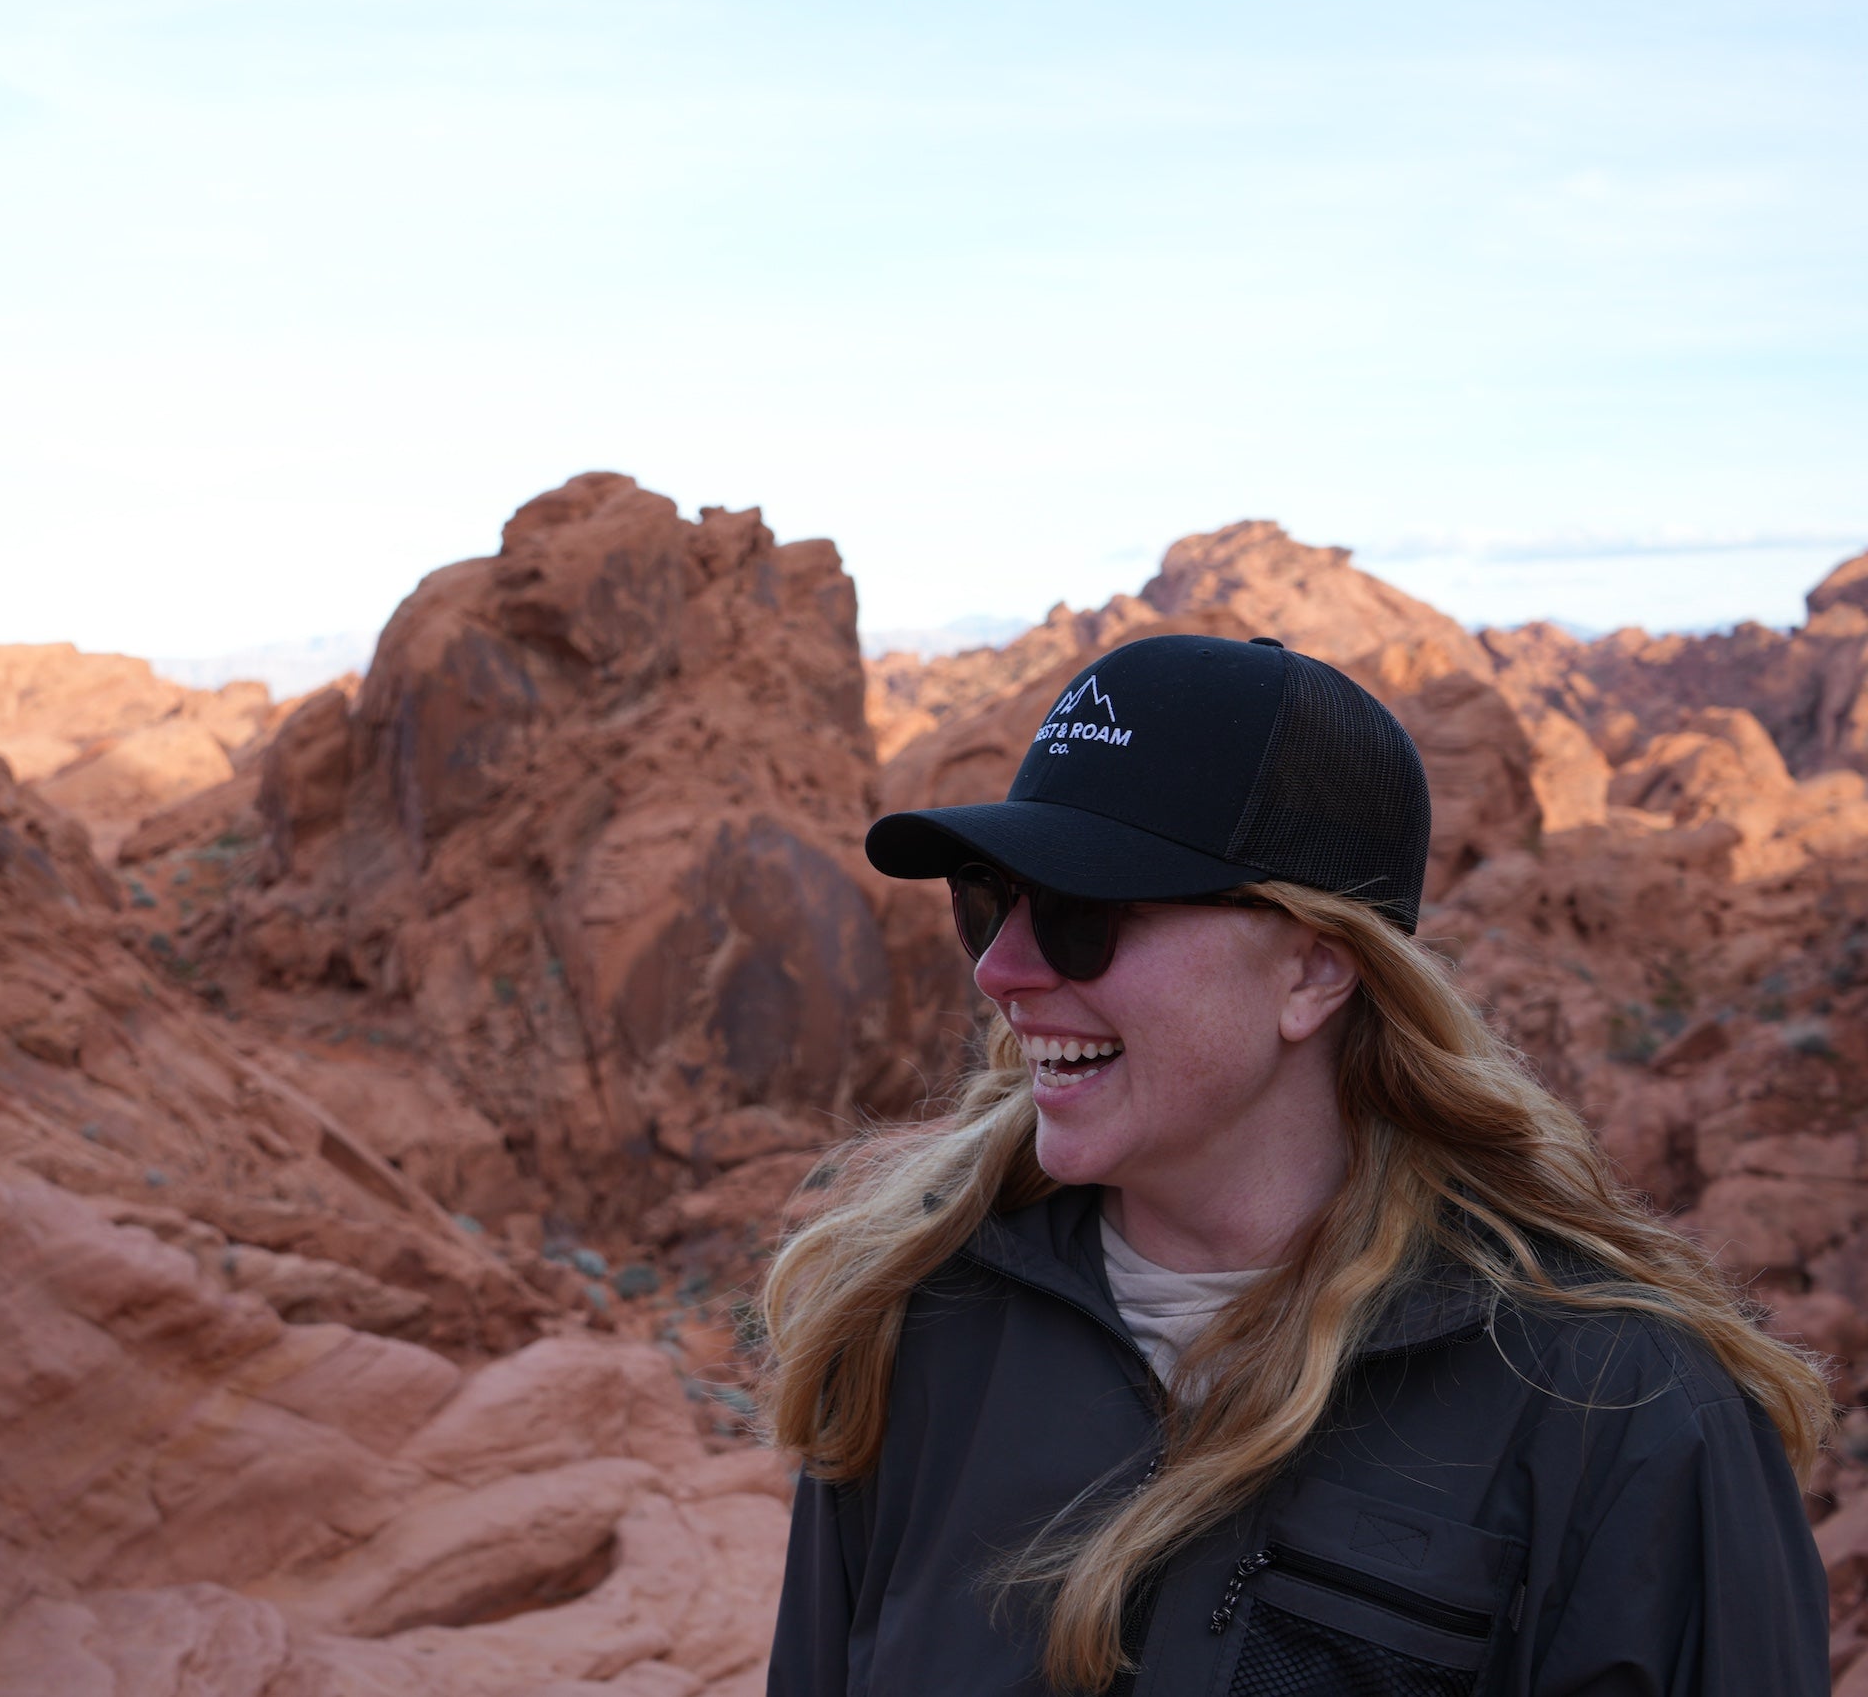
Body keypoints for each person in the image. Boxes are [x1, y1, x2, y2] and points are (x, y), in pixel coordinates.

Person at [763, 634, 1832, 1696]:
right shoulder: (915, 1323)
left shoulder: (1619, 1413)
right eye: (988, 900)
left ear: (1315, 969)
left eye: (1083, 913)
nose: (1001, 968)